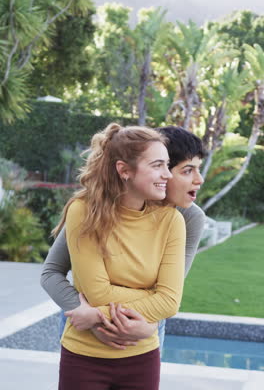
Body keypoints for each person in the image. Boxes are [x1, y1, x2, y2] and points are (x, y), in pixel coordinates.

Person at [52, 123, 187, 390]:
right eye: (158, 165)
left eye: (167, 165)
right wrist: (144, 302)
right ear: (124, 170)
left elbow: (169, 301)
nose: (168, 174)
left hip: (142, 358)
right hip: (84, 357)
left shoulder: (172, 221)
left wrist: (95, 314)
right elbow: (98, 292)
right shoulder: (82, 211)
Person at [41, 126, 205, 354]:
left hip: (145, 322)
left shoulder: (189, 218)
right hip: (83, 319)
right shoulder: (94, 208)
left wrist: (147, 328)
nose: (199, 179)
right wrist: (88, 317)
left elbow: (167, 296)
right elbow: (51, 272)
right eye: (187, 170)